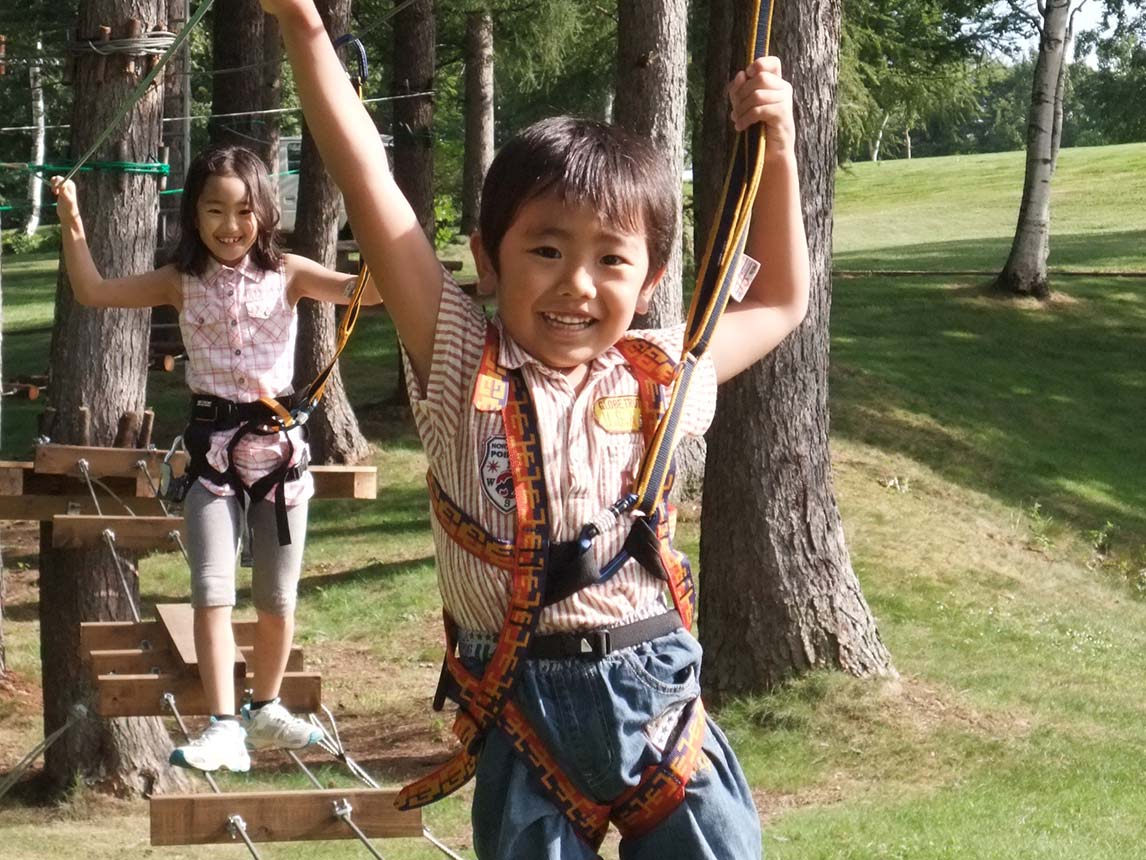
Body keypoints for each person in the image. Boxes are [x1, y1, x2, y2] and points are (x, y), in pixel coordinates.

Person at [263, 1, 809, 856]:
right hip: (523, 709)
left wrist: (776, 150)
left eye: (611, 259)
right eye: (546, 250)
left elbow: (778, 301)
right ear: (488, 258)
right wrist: (302, 25)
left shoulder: (660, 371)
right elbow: (371, 185)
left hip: (662, 701)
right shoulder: (457, 361)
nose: (577, 286)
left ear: (650, 277)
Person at [52, 143, 381, 773]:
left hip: (279, 456)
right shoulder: (180, 280)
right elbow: (93, 292)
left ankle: (266, 708)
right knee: (211, 591)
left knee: (277, 599)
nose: (230, 226)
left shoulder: (288, 272)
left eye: (242, 211)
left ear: (263, 213)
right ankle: (225, 725)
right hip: (212, 460)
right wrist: (71, 219)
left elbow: (367, 293)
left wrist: (370, 213)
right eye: (214, 211)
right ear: (194, 216)